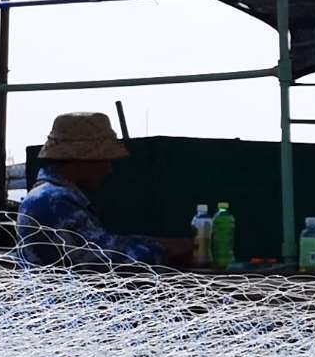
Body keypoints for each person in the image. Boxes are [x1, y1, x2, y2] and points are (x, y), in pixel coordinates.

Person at [15, 111, 192, 267]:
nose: (108, 169)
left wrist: (156, 242)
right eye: (103, 160)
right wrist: (165, 251)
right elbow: (107, 259)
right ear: (80, 160)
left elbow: (102, 242)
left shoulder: (49, 195)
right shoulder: (55, 202)